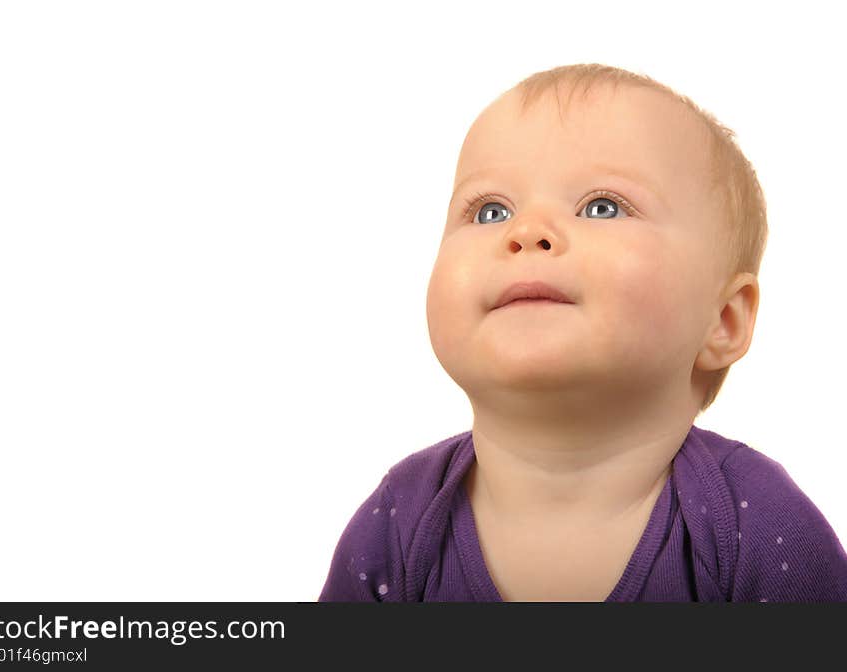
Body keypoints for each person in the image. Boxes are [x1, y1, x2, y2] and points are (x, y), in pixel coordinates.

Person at [317, 63, 847, 602]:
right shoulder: (399, 523)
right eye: (489, 211)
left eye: (602, 207)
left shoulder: (752, 524)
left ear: (724, 320)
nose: (526, 232)